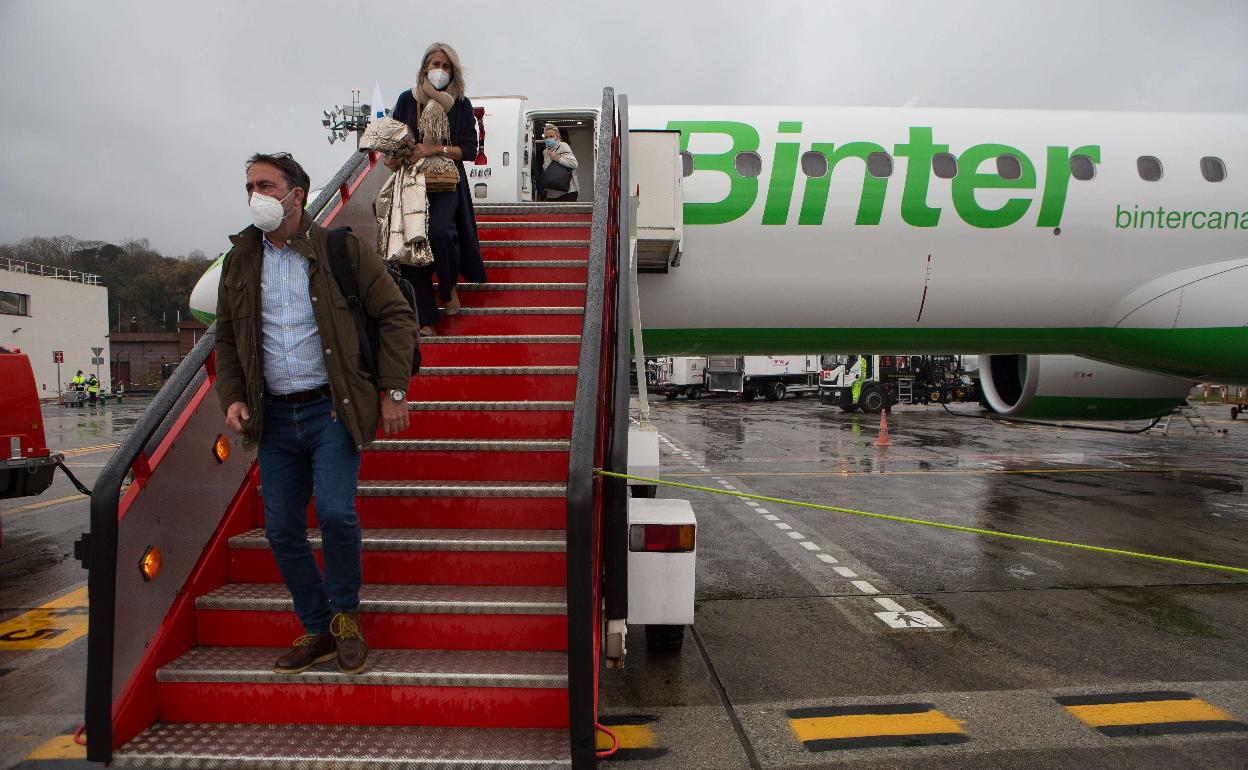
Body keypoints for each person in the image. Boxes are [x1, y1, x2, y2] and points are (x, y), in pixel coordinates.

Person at [214, 152, 417, 675]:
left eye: (265, 185)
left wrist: (394, 390)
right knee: (281, 529)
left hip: (331, 409)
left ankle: (346, 616)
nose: (255, 195)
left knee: (334, 512)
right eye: (249, 185)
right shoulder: (239, 260)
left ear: (296, 195)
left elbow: (395, 315)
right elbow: (227, 338)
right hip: (275, 416)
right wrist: (233, 397)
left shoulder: (339, 249)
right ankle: (318, 626)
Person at [387, 42, 486, 337]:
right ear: (424, 67)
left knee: (440, 231)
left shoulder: (460, 104)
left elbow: (469, 149)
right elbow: (394, 135)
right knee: (414, 244)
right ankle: (426, 319)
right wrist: (399, 152)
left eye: (445, 66)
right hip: (412, 181)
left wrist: (436, 148)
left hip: (446, 180)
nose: (439, 71)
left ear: (453, 71)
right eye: (434, 64)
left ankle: (448, 285)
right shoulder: (407, 100)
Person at [540, 123, 579, 201]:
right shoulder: (545, 151)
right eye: (546, 137)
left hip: (567, 192)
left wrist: (557, 158)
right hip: (551, 193)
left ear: (557, 137)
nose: (548, 139)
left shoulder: (563, 146)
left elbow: (574, 164)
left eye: (551, 136)